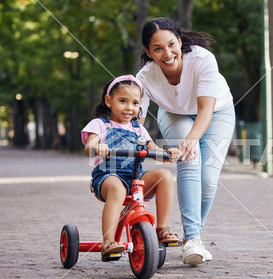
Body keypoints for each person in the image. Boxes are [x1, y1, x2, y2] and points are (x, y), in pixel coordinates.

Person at [137, 17, 236, 265]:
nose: (167, 54)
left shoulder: (202, 59)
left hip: (216, 112)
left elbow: (205, 110)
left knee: (208, 180)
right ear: (149, 52)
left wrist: (192, 139)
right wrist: (141, 145)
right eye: (157, 49)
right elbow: (135, 122)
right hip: (174, 114)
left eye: (171, 44)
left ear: (180, 41)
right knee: (190, 162)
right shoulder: (145, 77)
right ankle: (192, 240)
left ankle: (194, 239)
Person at [81, 74, 181, 258]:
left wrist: (168, 154)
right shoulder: (100, 125)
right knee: (117, 189)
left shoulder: (138, 129)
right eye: (123, 101)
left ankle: (161, 229)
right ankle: (109, 242)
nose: (130, 107)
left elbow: (154, 150)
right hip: (107, 177)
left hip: (135, 178)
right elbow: (89, 147)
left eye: (135, 103)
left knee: (165, 176)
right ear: (109, 101)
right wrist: (97, 147)